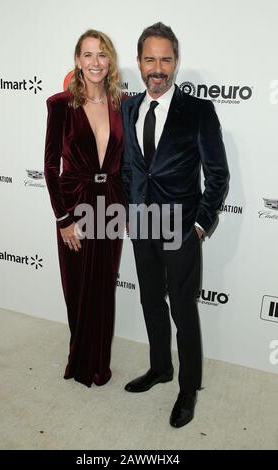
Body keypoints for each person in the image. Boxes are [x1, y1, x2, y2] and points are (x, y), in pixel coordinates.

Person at [121, 22, 229, 427]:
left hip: (181, 227)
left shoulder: (198, 110)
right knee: (151, 301)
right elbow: (129, 167)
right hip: (142, 225)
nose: (158, 67)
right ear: (139, 62)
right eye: (150, 59)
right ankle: (159, 368)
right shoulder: (128, 107)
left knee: (183, 310)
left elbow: (218, 175)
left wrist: (200, 225)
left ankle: (187, 389)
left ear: (176, 62)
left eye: (166, 59)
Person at [44, 29, 124, 387]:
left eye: (102, 55)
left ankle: (99, 363)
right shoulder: (60, 104)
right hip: (75, 205)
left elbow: (128, 162)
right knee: (77, 287)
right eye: (88, 55)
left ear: (110, 62)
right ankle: (79, 358)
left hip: (110, 208)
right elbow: (49, 167)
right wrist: (63, 219)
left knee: (104, 288)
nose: (95, 62)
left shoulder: (121, 105)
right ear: (78, 60)